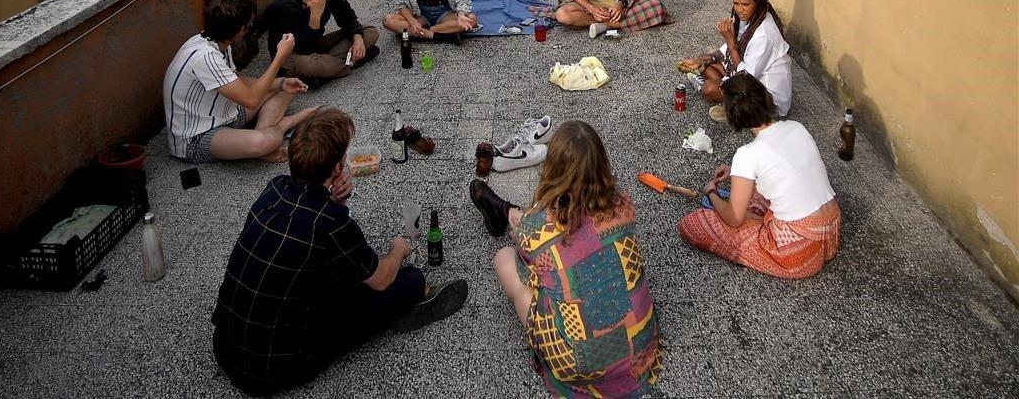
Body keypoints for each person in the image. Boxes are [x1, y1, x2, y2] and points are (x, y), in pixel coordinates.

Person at [212, 108, 469, 396]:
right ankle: (407, 304)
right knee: (408, 280)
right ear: (337, 166)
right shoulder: (330, 222)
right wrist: (397, 251)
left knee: (334, 268)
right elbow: (380, 279)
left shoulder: (275, 188)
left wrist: (335, 200)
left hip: (225, 346)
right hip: (276, 369)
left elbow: (303, 230)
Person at [469, 121, 662, 397]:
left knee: (504, 259)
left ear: (552, 168)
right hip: (639, 348)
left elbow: (531, 274)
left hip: (579, 363)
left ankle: (507, 212)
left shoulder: (538, 226)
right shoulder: (622, 202)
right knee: (545, 252)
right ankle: (508, 213)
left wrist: (526, 230)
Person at [679, 73, 841, 279]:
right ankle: (763, 219)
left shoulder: (747, 154)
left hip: (798, 248)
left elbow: (734, 219)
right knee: (753, 196)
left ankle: (765, 232)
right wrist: (736, 173)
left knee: (693, 224)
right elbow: (781, 168)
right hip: (830, 229)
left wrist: (711, 193)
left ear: (733, 115)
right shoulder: (796, 127)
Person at [162, 0, 314, 164]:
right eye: (250, 23)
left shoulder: (215, 42)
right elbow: (251, 100)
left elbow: (237, 81)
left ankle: (262, 130)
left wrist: (280, 83)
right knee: (263, 142)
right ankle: (282, 126)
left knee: (287, 89)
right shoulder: (205, 58)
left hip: (224, 112)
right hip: (198, 137)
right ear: (242, 29)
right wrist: (280, 57)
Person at [677, 0, 792, 121]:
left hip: (769, 102)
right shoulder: (751, 18)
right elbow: (726, 51)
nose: (739, 10)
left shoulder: (765, 34)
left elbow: (745, 78)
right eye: (736, 3)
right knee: (706, 65)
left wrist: (730, 42)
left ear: (759, 3)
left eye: (745, 5)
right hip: (749, 79)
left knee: (709, 89)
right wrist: (701, 59)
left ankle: (733, 106)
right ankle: (731, 103)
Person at [261, 0, 380, 86]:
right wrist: (315, 17)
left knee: (370, 31)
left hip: (315, 45)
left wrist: (358, 40)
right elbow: (302, 48)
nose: (309, 0)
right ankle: (348, 62)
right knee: (310, 65)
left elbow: (348, 18)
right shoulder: (285, 5)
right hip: (289, 54)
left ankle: (326, 68)